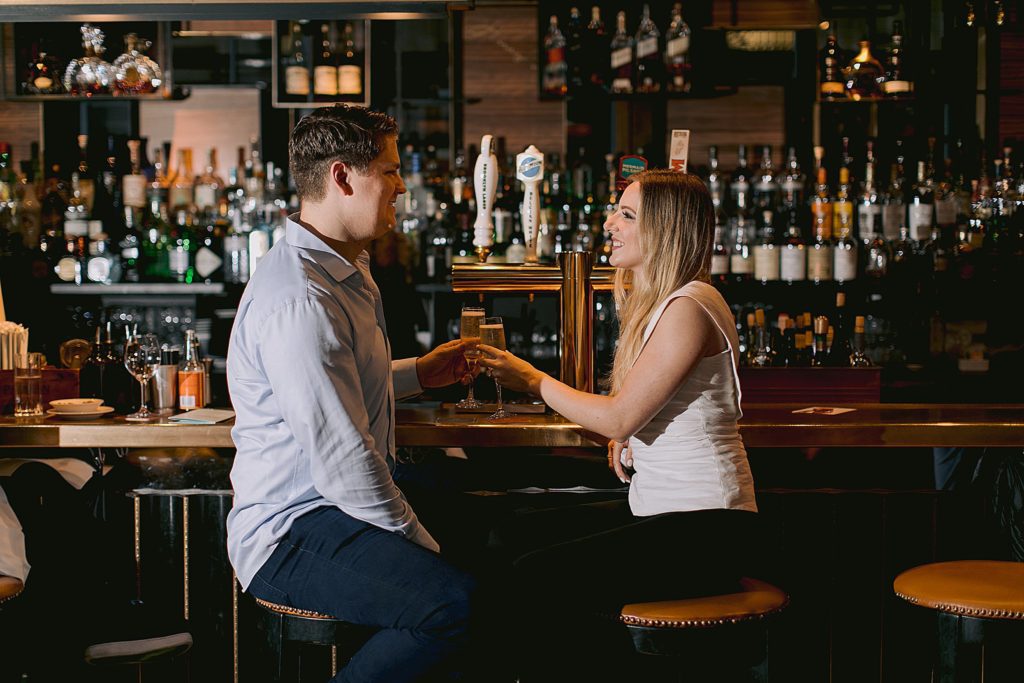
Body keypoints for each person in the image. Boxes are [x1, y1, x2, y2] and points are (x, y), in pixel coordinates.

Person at [226, 105, 477, 683]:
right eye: (388, 172)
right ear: (343, 177)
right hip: (294, 529)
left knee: (494, 535)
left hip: (334, 506)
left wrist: (419, 373)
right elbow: (342, 460)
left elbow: (333, 388)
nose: (400, 187)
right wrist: (422, 544)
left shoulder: (342, 266)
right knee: (454, 605)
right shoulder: (301, 300)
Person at [477, 170, 759, 681]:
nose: (609, 223)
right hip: (662, 511)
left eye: (627, 215)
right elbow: (634, 415)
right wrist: (630, 433)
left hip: (709, 527)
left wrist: (531, 379)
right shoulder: (667, 304)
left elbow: (619, 414)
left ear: (666, 231)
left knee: (535, 576)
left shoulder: (689, 305)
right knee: (507, 534)